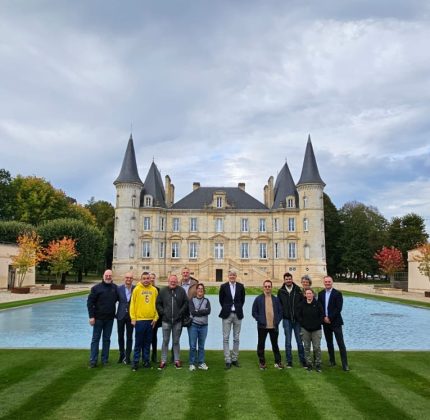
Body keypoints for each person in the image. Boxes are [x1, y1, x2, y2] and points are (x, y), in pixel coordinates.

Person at [156, 274, 188, 369]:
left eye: (174, 281)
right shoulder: (163, 291)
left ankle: (177, 360)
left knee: (176, 341)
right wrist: (163, 313)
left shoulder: (181, 291)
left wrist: (180, 313)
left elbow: (186, 303)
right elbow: (158, 304)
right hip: (166, 321)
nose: (173, 282)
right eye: (171, 281)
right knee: (165, 341)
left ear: (177, 281)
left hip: (177, 321)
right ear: (168, 281)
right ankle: (163, 360)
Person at [87, 269, 118, 368]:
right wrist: (91, 317)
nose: (108, 277)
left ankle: (105, 360)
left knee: (106, 339)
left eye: (110, 275)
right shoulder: (96, 288)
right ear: (103, 276)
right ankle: (93, 360)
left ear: (112, 276)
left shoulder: (115, 288)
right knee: (95, 339)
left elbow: (121, 300)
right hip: (98, 319)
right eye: (106, 275)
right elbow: (89, 303)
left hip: (109, 319)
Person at [318, 276, 350, 371]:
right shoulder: (321, 294)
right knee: (329, 343)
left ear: (332, 282)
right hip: (325, 322)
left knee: (340, 343)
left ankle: (345, 364)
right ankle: (332, 361)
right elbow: (320, 308)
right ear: (324, 283)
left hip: (335, 322)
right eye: (326, 282)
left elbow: (338, 308)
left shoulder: (337, 294)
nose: (327, 283)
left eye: (329, 281)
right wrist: (324, 317)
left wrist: (329, 317)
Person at [129, 271, 159, 371]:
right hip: (140, 321)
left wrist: (155, 318)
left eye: (147, 278)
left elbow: (157, 305)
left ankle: (146, 361)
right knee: (138, 343)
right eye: (144, 278)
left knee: (147, 343)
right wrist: (133, 318)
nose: (146, 280)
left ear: (150, 279)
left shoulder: (154, 290)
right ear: (141, 279)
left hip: (150, 321)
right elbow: (132, 304)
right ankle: (135, 362)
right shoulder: (137, 289)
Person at [251, 280, 283, 370]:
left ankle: (278, 362)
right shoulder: (258, 299)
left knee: (275, 345)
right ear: (263, 287)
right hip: (262, 326)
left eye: (269, 286)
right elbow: (254, 312)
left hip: (274, 326)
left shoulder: (276, 299)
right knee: (261, 344)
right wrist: (260, 319)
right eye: (266, 286)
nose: (267, 288)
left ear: (271, 287)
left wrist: (277, 321)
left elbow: (280, 312)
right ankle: (262, 362)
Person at [277, 272, 306, 368]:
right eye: (286, 279)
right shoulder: (281, 291)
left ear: (292, 279)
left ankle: (303, 361)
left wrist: (300, 317)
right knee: (288, 342)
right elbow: (279, 307)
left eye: (290, 279)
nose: (288, 280)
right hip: (286, 320)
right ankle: (289, 361)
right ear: (284, 280)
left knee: (299, 341)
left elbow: (302, 305)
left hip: (297, 321)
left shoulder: (298, 290)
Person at [219, 269, 246, 369]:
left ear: (236, 276)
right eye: (230, 275)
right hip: (227, 314)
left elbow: (242, 300)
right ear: (228, 276)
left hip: (237, 314)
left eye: (234, 275)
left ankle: (234, 359)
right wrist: (227, 307)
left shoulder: (240, 286)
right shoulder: (223, 286)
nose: (232, 277)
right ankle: (227, 360)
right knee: (226, 338)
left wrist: (237, 307)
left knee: (236, 338)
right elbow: (221, 300)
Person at [297, 288, 324, 372]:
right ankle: (309, 364)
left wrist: (317, 323)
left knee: (316, 347)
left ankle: (318, 364)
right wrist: (303, 323)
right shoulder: (301, 304)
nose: (309, 295)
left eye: (310, 293)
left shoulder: (318, 304)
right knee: (306, 348)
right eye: (307, 293)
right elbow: (298, 315)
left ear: (313, 294)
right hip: (305, 329)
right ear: (305, 295)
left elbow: (321, 315)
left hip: (316, 329)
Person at [188, 283, 211, 371]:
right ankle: (192, 363)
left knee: (201, 346)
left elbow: (208, 311)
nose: (200, 290)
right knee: (193, 346)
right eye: (199, 288)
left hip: (204, 326)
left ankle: (201, 362)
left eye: (202, 288)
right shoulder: (192, 300)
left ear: (203, 290)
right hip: (193, 325)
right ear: (196, 290)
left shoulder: (206, 300)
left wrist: (198, 311)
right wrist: (202, 311)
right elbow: (193, 312)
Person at [116, 272, 135, 364]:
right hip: (120, 315)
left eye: (130, 278)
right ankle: (121, 354)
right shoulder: (119, 289)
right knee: (120, 336)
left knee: (129, 337)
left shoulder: (135, 289)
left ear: (132, 279)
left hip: (131, 316)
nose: (129, 279)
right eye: (127, 277)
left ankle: (127, 356)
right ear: (125, 278)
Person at [150, 272, 162, 363]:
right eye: (150, 278)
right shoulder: (142, 289)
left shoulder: (158, 290)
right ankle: (145, 355)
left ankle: (154, 355)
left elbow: (159, 304)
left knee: (154, 336)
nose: (151, 279)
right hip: (145, 317)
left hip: (155, 318)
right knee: (145, 337)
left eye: (153, 278)